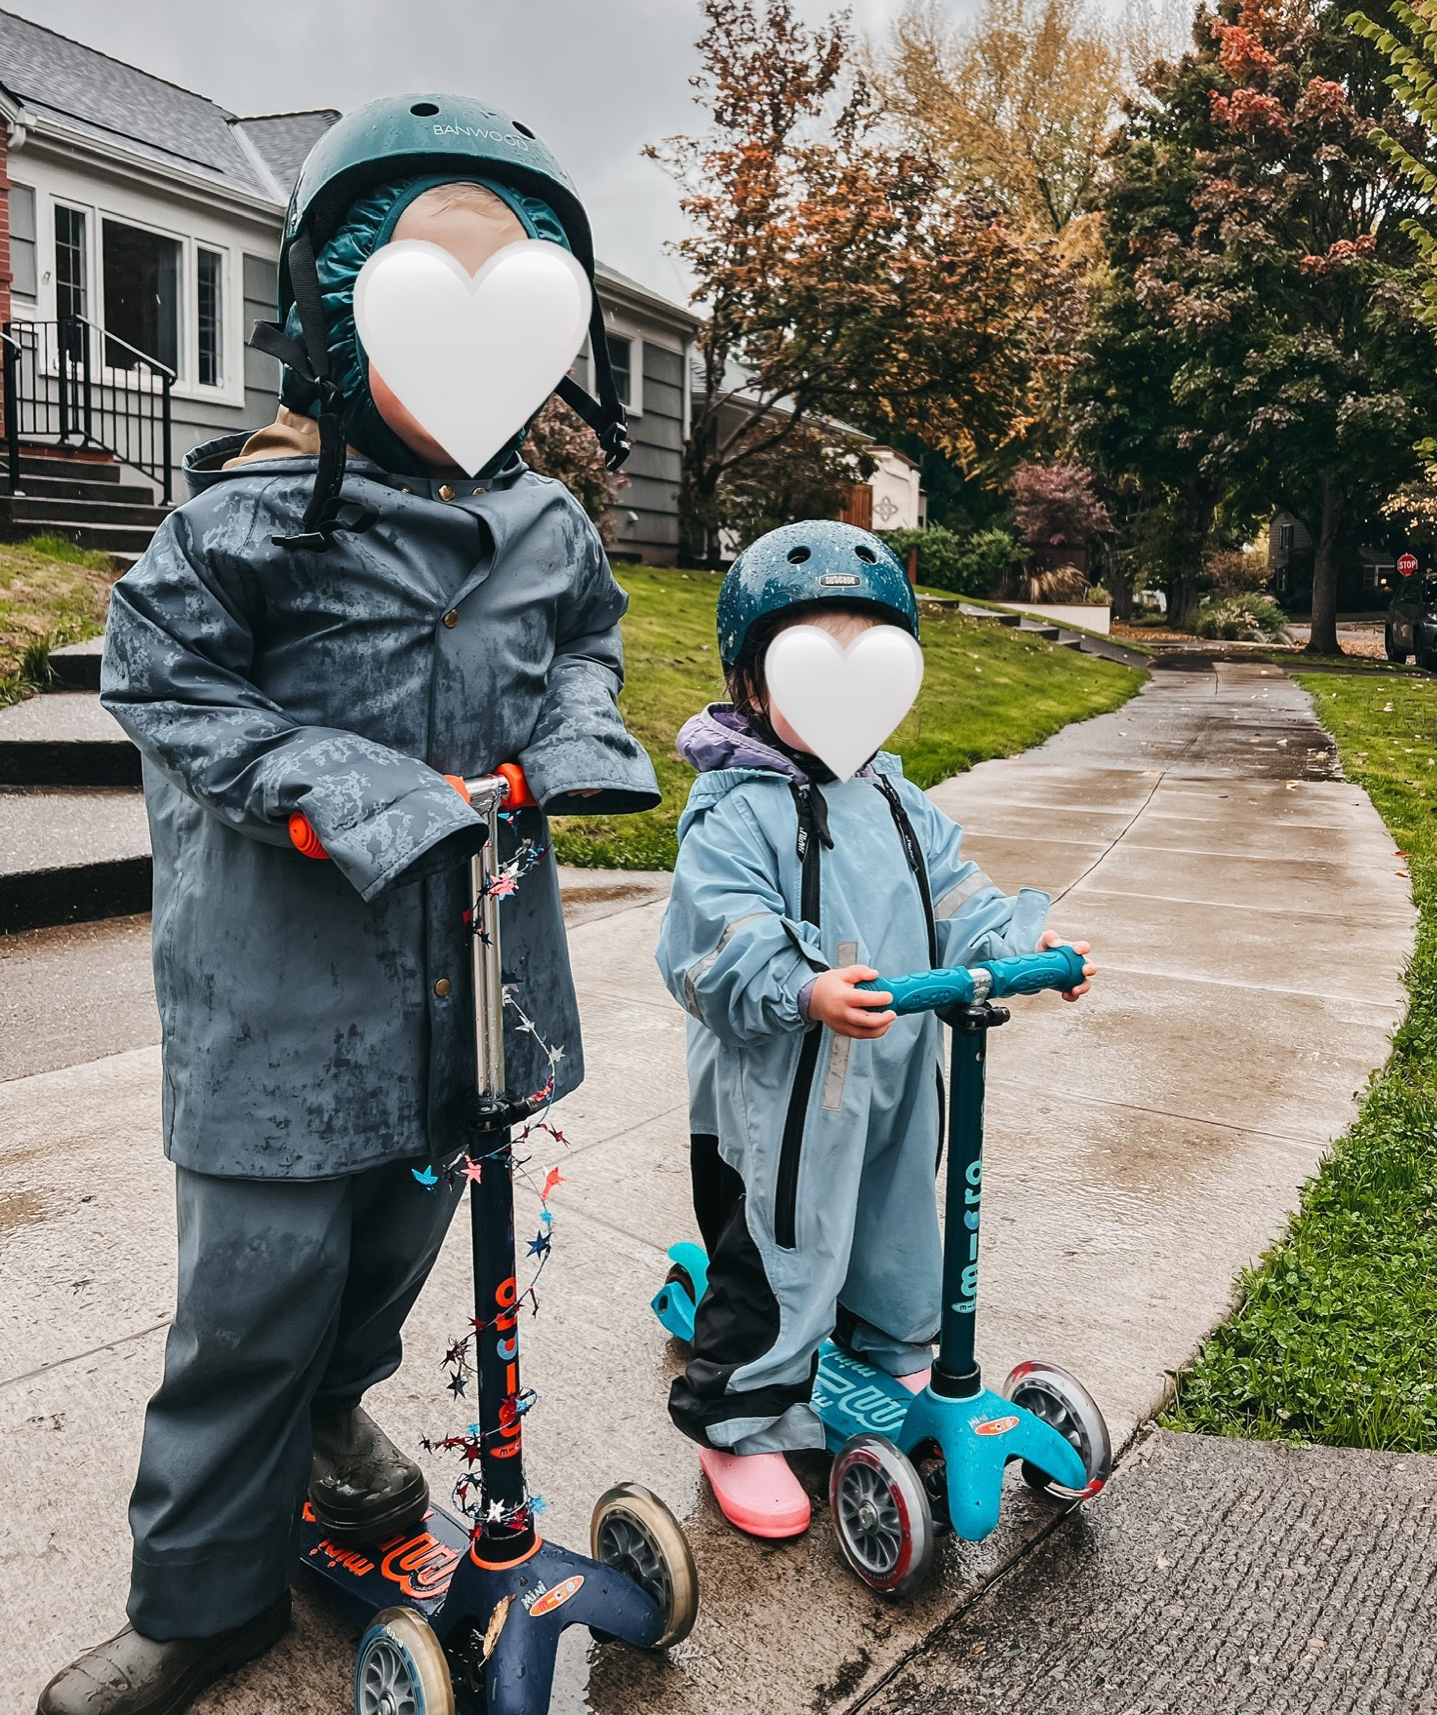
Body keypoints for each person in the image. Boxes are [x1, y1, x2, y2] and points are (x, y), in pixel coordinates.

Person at [38, 95, 658, 1715]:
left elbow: (586, 649)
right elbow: (163, 679)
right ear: (334, 313)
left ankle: (332, 1417)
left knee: (392, 1251)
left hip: (470, 991)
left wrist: (571, 745)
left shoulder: (543, 525)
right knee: (252, 1301)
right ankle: (204, 1598)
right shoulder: (242, 518)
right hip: (284, 1000)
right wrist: (345, 788)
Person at [655, 520, 1094, 1539]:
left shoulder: (896, 796)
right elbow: (712, 936)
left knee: (897, 1223)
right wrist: (801, 984)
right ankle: (740, 1417)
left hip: (894, 1069)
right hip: (782, 1097)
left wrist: (1023, 941)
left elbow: (957, 893)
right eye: (813, 670)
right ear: (752, 682)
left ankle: (891, 1345)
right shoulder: (737, 809)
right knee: (781, 1246)